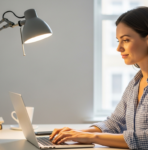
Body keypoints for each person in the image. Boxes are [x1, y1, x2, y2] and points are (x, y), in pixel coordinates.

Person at [49, 6, 148, 149]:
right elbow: (114, 123)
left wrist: (92, 137)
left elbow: (145, 139)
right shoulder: (135, 83)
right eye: (118, 41)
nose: (119, 48)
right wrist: (77, 133)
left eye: (125, 40)